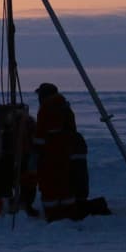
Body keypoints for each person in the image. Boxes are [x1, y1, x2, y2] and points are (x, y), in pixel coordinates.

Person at [33, 82, 82, 221]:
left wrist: (36, 148)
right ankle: (70, 213)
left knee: (49, 185)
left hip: (50, 153)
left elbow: (41, 135)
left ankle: (53, 214)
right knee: (65, 182)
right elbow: (72, 130)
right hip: (66, 151)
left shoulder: (45, 109)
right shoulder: (65, 107)